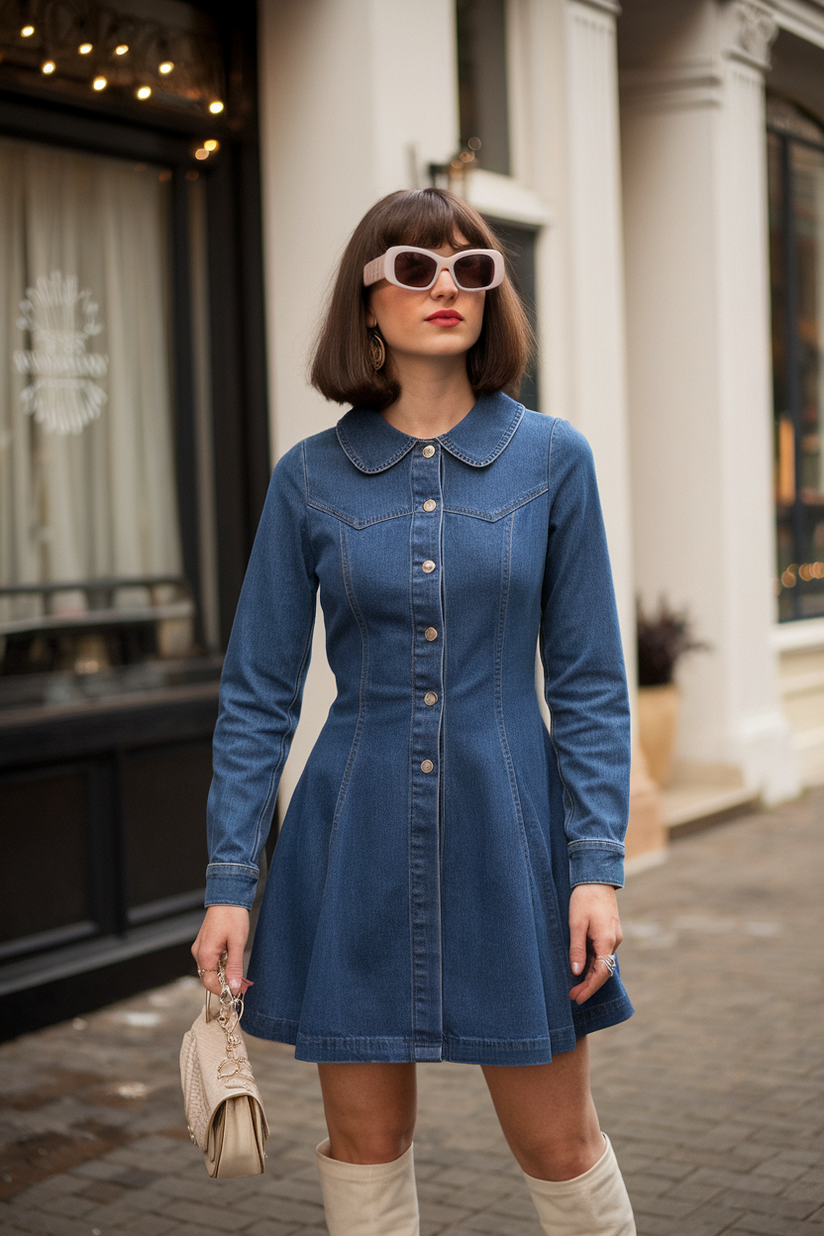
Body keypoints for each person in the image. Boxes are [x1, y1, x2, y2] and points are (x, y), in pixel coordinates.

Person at [193, 188, 636, 1236]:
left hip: (512, 836)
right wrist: (227, 885)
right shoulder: (307, 479)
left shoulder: (551, 460)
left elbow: (585, 683)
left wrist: (595, 867)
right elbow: (258, 693)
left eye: (470, 270)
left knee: (559, 1149)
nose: (445, 287)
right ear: (368, 295)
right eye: (415, 267)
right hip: (351, 843)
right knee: (364, 1150)